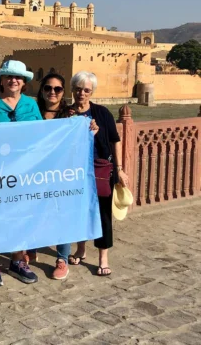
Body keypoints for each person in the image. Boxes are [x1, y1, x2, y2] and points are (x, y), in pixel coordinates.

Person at [65, 71, 129, 276]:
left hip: (101, 171)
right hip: (76, 173)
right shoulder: (67, 114)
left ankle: (103, 257)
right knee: (80, 212)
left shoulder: (102, 113)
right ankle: (81, 249)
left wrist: (119, 170)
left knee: (103, 214)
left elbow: (114, 141)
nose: (81, 93)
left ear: (91, 92)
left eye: (86, 90)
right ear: (72, 90)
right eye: (78, 89)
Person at [36, 72, 98, 280]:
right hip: (35, 174)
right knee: (34, 211)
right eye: (48, 88)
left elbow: (80, 142)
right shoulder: (33, 112)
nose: (52, 92)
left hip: (62, 174)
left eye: (57, 89)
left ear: (63, 92)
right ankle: (29, 250)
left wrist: (90, 130)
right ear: (42, 90)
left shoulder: (71, 116)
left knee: (62, 215)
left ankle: (62, 259)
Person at [0, 60, 41, 285]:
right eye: (9, 76)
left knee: (20, 214)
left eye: (18, 77)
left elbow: (43, 133)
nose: (13, 80)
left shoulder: (31, 104)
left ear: (24, 82)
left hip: (23, 171)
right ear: (1, 80)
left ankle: (18, 259)